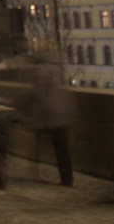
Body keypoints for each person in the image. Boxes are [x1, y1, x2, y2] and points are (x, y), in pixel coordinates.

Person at [22, 49, 75, 186]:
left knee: (37, 143)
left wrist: (30, 112)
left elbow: (38, 93)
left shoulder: (40, 71)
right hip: (63, 111)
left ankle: (34, 171)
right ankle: (67, 177)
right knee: (62, 147)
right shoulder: (58, 70)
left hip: (49, 112)